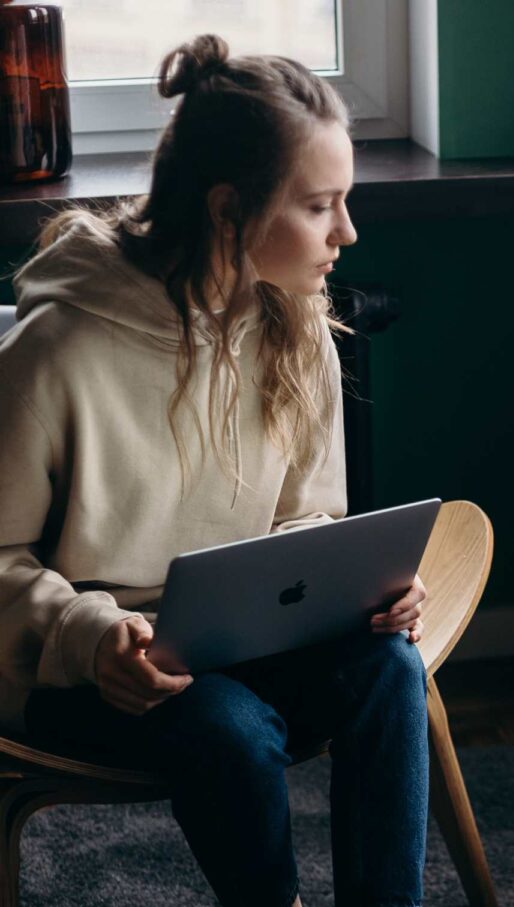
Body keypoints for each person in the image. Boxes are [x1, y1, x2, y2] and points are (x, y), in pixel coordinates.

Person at [0, 35, 429, 907]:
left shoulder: (296, 320)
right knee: (228, 727)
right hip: (89, 673)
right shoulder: (59, 348)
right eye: (320, 206)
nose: (348, 231)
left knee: (389, 666)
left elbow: (308, 518)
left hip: (249, 638)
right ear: (230, 210)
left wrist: (363, 589)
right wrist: (92, 637)